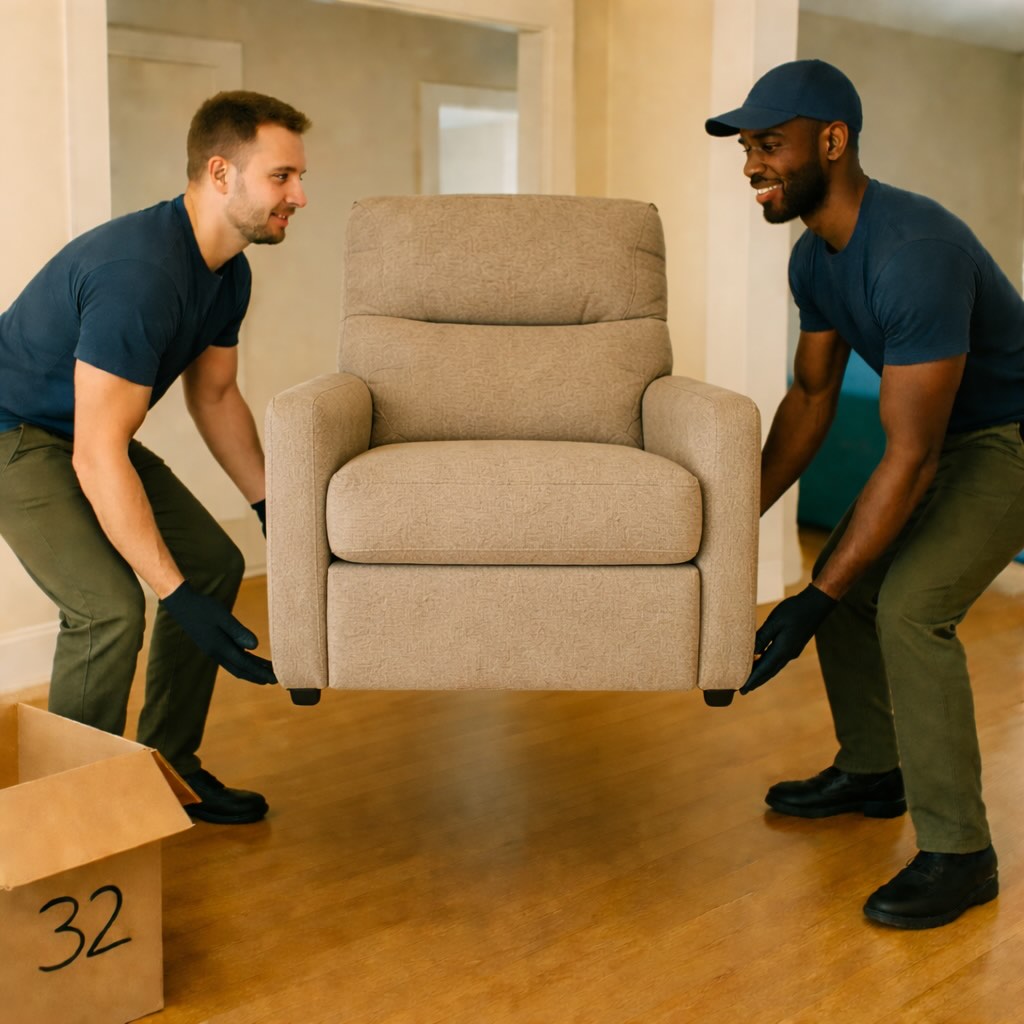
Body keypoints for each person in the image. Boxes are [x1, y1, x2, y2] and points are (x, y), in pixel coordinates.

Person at [705, 59, 1024, 929]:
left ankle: (961, 855)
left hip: (1007, 440)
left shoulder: (915, 254)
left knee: (908, 607)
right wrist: (726, 526)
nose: (752, 165)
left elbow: (912, 457)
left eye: (770, 144)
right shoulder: (815, 259)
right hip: (943, 440)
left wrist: (813, 596)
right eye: (747, 147)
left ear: (833, 141)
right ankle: (876, 770)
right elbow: (811, 400)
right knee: (849, 586)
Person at [0, 91, 311, 825]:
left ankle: (170, 768)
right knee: (107, 609)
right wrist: (175, 597)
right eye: (282, 176)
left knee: (214, 563)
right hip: (12, 434)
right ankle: (65, 817)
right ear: (221, 172)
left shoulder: (229, 272)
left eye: (300, 177)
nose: (300, 196)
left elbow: (216, 395)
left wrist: (273, 511)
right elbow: (97, 452)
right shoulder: (140, 274)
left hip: (82, 432)